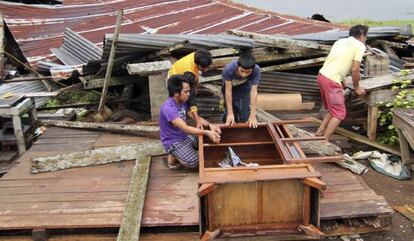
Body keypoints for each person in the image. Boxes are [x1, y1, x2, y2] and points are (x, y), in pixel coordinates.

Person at [316, 25, 368, 140]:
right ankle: (324, 141)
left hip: (322, 76)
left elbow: (336, 61)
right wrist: (357, 87)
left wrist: (342, 80)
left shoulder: (340, 42)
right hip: (331, 80)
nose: (365, 39)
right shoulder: (360, 46)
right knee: (339, 113)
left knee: (332, 108)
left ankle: (320, 132)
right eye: (365, 36)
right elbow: (355, 69)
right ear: (361, 35)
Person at [159, 74, 221, 169]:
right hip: (174, 142)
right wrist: (206, 132)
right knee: (195, 161)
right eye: (186, 91)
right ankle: (173, 155)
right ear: (176, 93)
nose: (189, 94)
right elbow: (186, 128)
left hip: (185, 137)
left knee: (209, 135)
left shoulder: (182, 102)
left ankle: (183, 151)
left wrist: (210, 125)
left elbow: (196, 117)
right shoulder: (168, 108)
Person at [168, 49, 213, 129]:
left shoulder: (198, 54)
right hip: (175, 78)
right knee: (183, 105)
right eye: (204, 67)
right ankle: (179, 125)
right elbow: (192, 99)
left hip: (183, 75)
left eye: (207, 67)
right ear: (197, 65)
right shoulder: (189, 74)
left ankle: (193, 119)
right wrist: (197, 119)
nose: (206, 70)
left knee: (188, 104)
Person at [221, 51, 261, 128]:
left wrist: (253, 115)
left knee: (244, 113)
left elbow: (254, 92)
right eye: (242, 71)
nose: (244, 74)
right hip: (229, 88)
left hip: (244, 89)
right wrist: (230, 113)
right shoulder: (229, 69)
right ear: (237, 66)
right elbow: (228, 91)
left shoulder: (256, 70)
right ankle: (226, 119)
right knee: (230, 114)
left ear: (252, 69)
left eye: (248, 72)